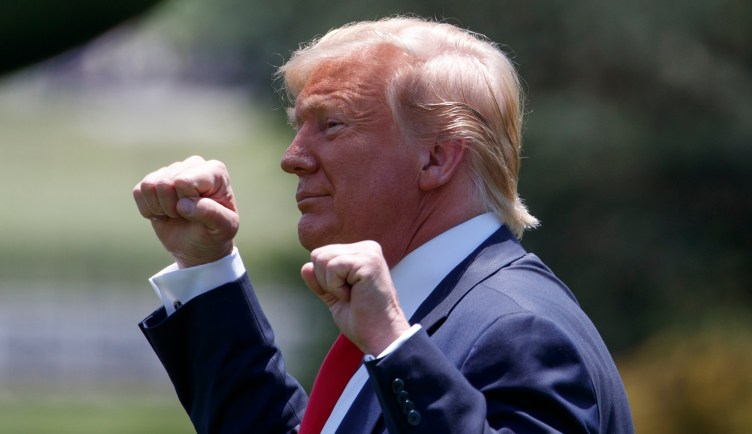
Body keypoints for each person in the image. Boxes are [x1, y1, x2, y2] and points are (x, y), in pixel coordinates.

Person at [133, 16, 634, 434]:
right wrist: (207, 266)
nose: (293, 158)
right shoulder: (413, 312)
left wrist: (395, 344)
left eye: (332, 124)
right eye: (297, 126)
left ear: (436, 158)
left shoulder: (518, 330)